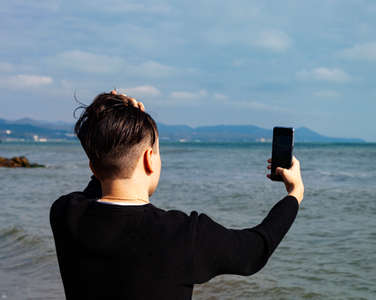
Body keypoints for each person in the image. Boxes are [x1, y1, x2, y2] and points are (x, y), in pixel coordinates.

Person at [49, 90, 304, 300]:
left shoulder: (65, 213)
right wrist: (294, 195)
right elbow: (255, 250)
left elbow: (99, 180)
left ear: (93, 167)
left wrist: (108, 139)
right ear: (150, 159)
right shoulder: (184, 235)